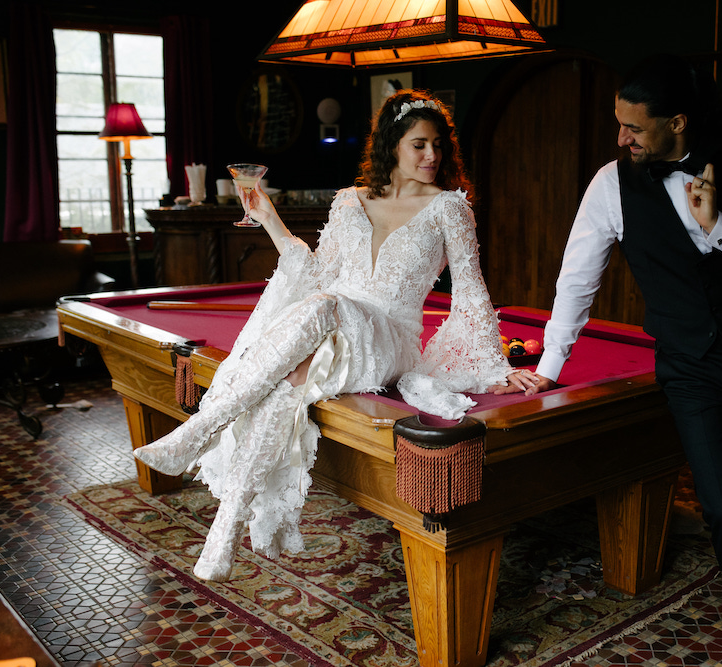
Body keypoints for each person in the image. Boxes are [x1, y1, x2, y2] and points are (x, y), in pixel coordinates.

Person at [134, 90, 541, 582]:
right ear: (392, 146)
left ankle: (199, 430)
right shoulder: (349, 201)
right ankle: (224, 529)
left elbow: (471, 294)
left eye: (438, 145)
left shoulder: (449, 208)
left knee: (326, 310)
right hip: (333, 324)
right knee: (294, 376)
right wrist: (270, 219)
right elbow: (318, 279)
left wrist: (494, 366)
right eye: (419, 145)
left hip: (390, 339)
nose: (432, 156)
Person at [499, 54, 722, 667]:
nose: (621, 139)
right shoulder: (609, 185)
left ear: (679, 122)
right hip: (691, 370)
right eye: (619, 126)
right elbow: (576, 280)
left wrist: (719, 223)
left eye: (634, 128)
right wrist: (552, 367)